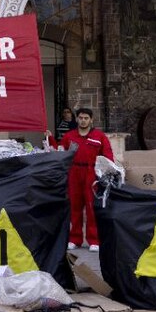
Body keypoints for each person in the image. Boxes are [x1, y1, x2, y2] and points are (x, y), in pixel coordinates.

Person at [56, 107, 113, 252]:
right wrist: (50, 139)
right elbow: (60, 152)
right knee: (75, 207)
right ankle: (75, 239)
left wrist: (105, 174)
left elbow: (108, 156)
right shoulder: (69, 136)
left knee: (91, 207)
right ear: (77, 119)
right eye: (80, 118)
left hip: (92, 173)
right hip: (74, 172)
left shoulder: (99, 137)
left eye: (86, 118)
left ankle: (94, 240)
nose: (83, 120)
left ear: (91, 120)